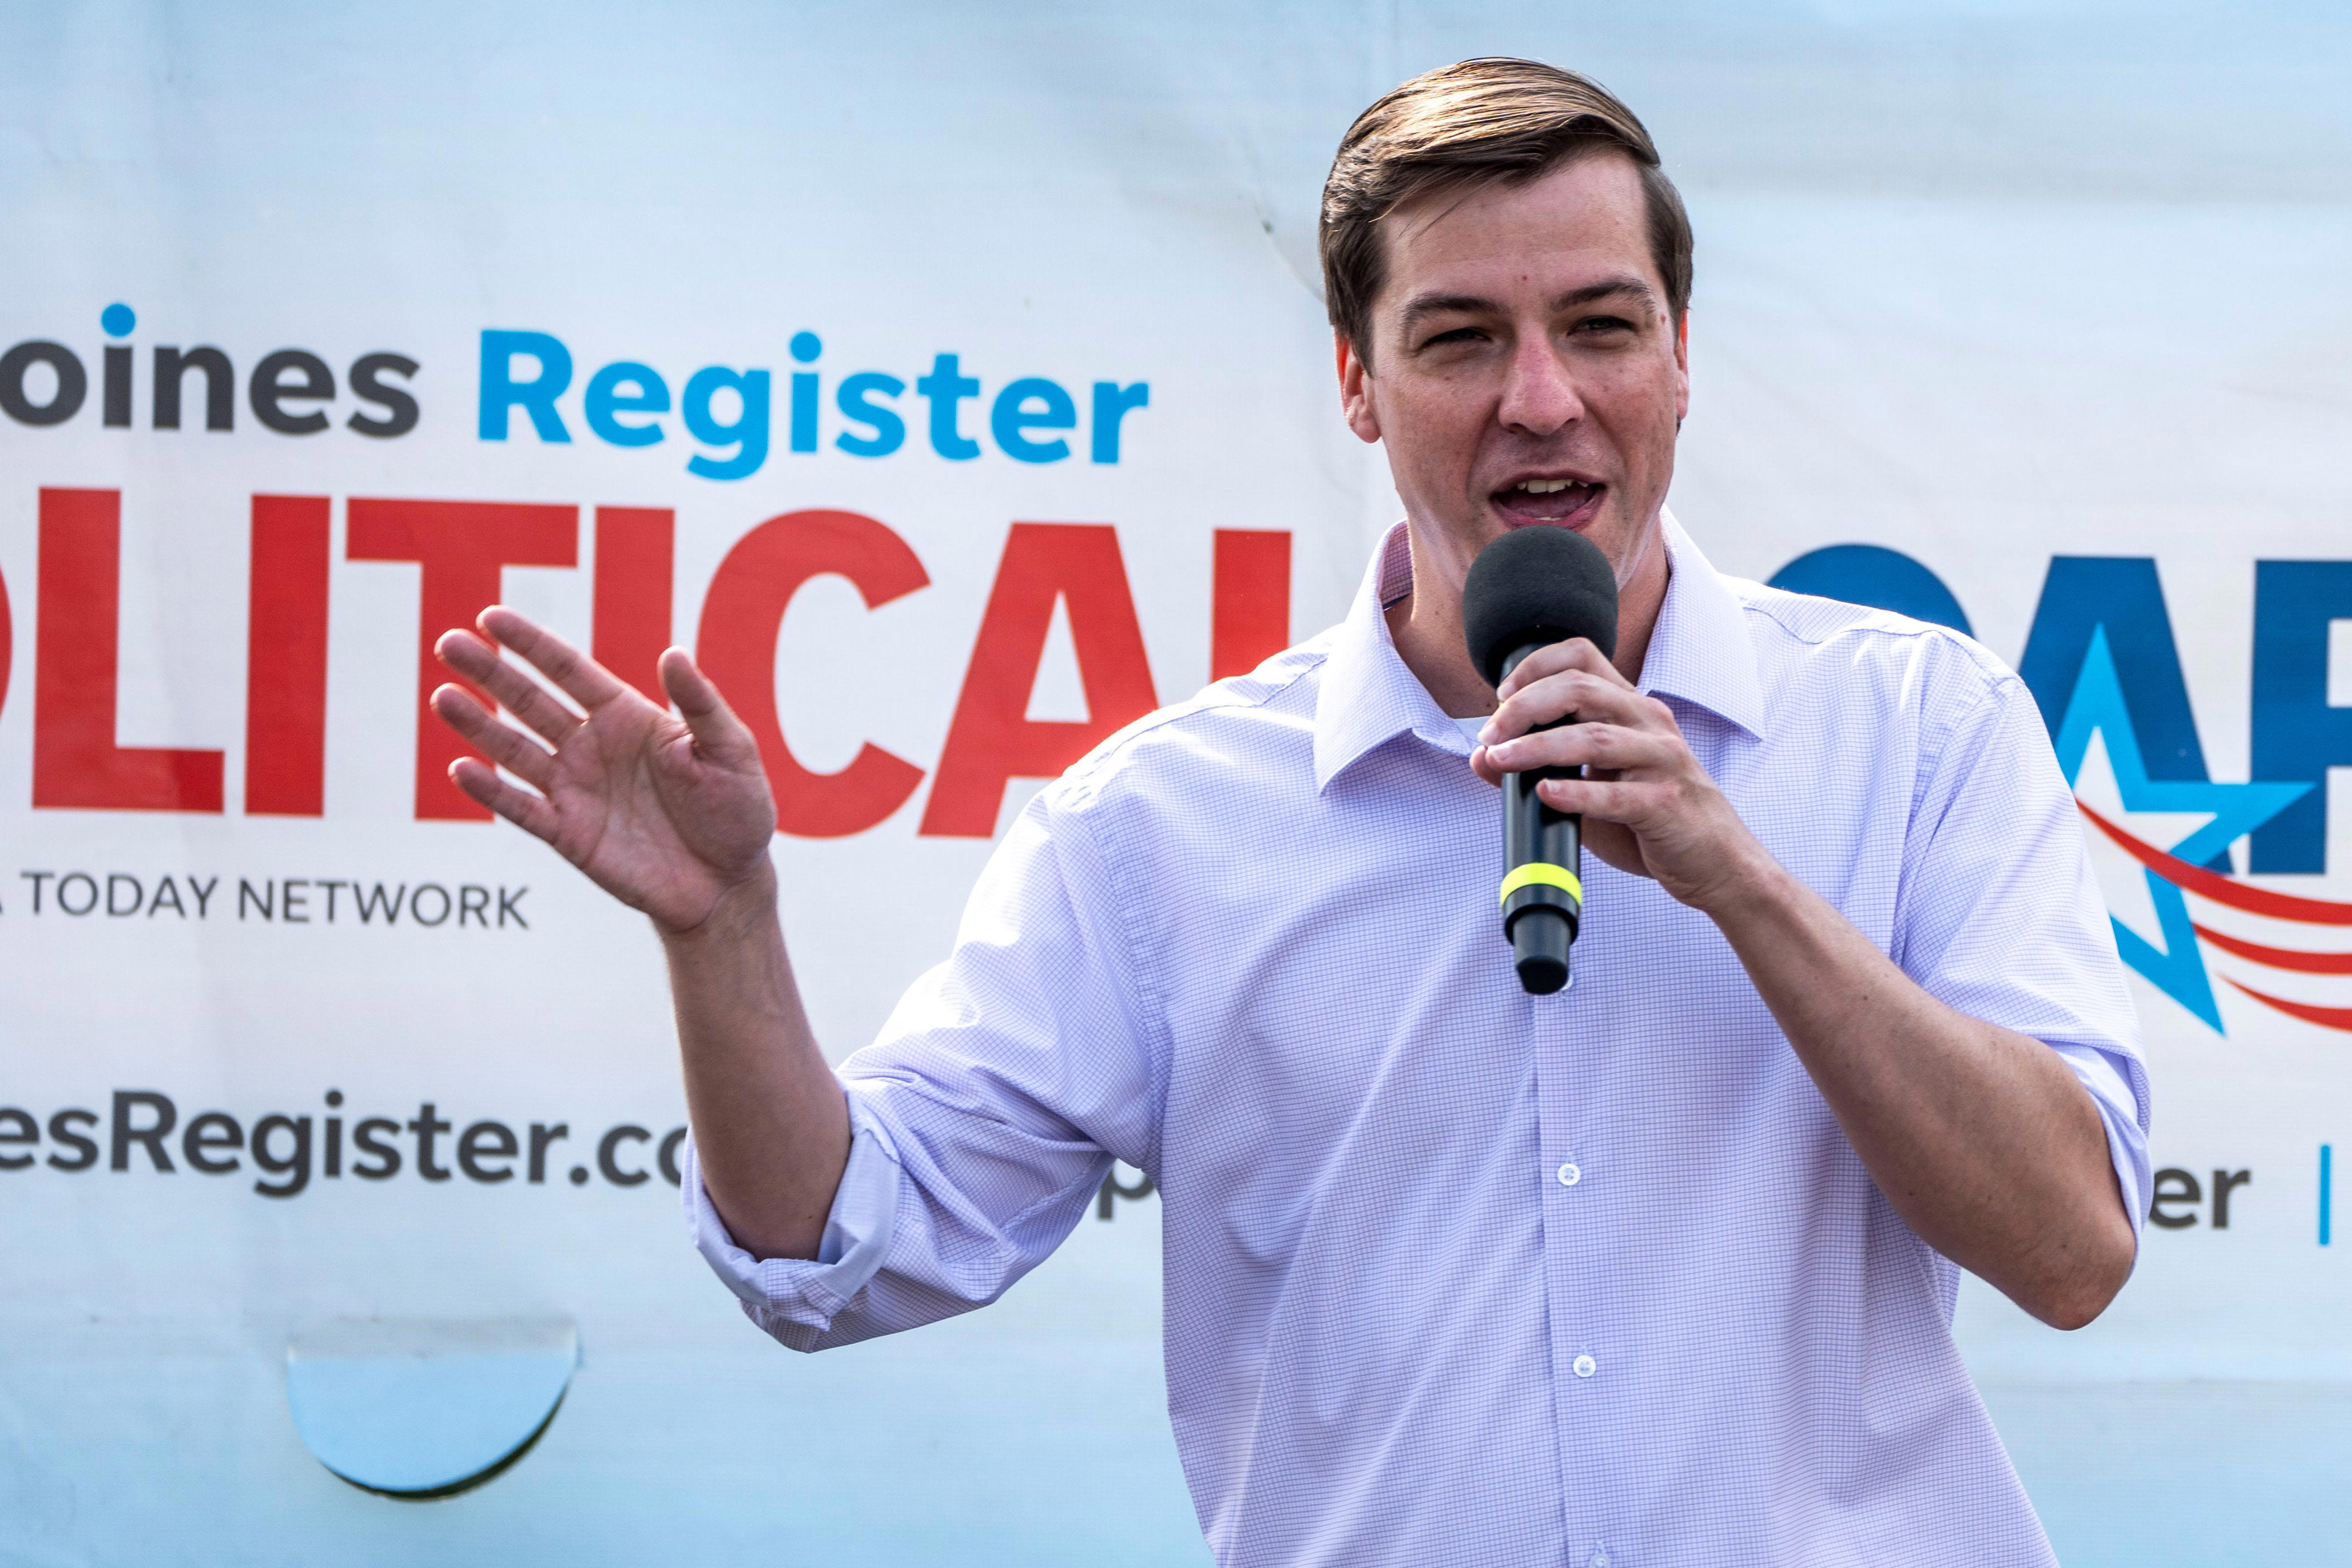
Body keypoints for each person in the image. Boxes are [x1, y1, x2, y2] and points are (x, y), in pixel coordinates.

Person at [429, 57, 2146, 1567]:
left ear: (1682, 359)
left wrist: (1741, 880)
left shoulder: (1916, 726)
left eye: (1602, 327)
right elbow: (837, 1250)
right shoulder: (1162, 826)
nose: (1540, 397)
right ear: (1356, 383)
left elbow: (2071, 1247)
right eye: (1460, 338)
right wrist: (724, 934)